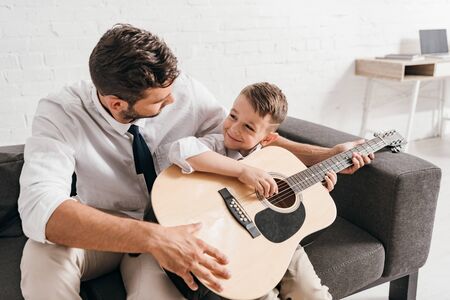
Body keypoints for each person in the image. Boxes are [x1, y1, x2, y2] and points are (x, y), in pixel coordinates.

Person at [18, 24, 372, 300]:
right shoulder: (60, 112)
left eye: (173, 89)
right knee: (41, 257)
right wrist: (154, 238)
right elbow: (40, 208)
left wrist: (325, 155)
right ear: (116, 104)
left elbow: (249, 141)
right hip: (112, 225)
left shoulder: (180, 88)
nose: (174, 100)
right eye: (159, 100)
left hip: (183, 227)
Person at [168, 82, 335, 300]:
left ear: (267, 139)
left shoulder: (278, 159)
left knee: (314, 294)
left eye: (248, 127)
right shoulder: (217, 146)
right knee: (262, 295)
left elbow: (295, 207)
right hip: (240, 243)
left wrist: (318, 191)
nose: (234, 128)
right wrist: (242, 171)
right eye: (233, 116)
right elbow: (181, 150)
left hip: (282, 240)